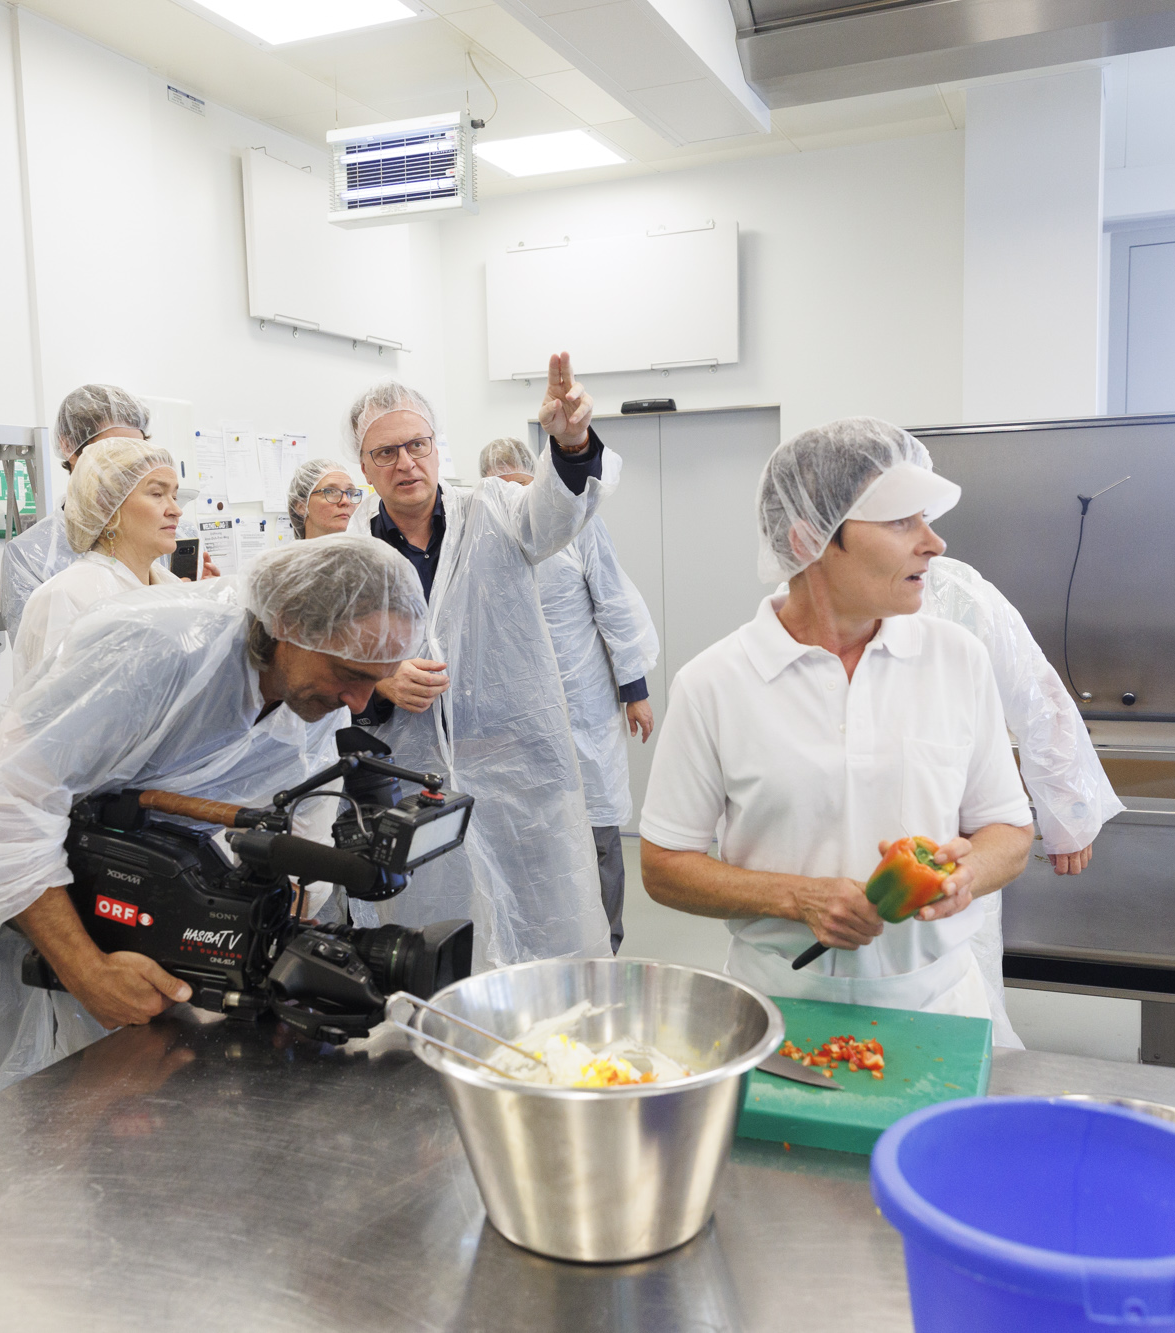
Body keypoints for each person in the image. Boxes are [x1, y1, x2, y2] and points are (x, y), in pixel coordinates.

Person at [0, 537, 426, 1131]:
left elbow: (303, 801)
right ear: (289, 623)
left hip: (130, 906)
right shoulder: (153, 650)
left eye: (374, 680)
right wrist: (88, 972)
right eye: (349, 675)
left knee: (109, 1129)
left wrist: (289, 915)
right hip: (0, 909)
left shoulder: (311, 692)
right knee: (1, 1125)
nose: (356, 703)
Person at [638, 418, 1035, 1021]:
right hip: (780, 1010)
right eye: (902, 520)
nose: (934, 543)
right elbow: (664, 867)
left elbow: (1008, 830)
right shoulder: (714, 683)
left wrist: (963, 875)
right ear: (809, 541)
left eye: (926, 519)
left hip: (939, 1004)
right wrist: (797, 897)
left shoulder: (956, 661)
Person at [346, 353, 618, 965]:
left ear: (437, 447)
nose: (404, 463)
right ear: (364, 466)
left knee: (548, 929)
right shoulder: (352, 553)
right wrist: (379, 678)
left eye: (415, 444)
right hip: (414, 783)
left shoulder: (495, 509)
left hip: (517, 769)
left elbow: (555, 513)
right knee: (435, 942)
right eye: (385, 453)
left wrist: (570, 444)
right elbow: (323, 658)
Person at [921, 553, 1125, 1047]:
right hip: (826, 920)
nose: (924, 538)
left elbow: (1035, 693)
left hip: (960, 861)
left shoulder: (952, 594)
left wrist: (1069, 809)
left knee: (962, 1037)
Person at [479, 436, 658, 953]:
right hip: (513, 712)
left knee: (599, 828)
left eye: (521, 488)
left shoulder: (579, 524)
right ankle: (541, 947)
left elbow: (615, 605)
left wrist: (636, 692)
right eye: (501, 490)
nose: (515, 503)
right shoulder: (480, 532)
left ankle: (608, 945)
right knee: (530, 832)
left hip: (582, 702)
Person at [11, 438, 181, 676]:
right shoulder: (65, 597)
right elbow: (54, 706)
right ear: (107, 508)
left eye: (175, 495)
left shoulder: (171, 586)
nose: (175, 510)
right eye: (157, 493)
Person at [0, 384, 149, 635]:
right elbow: (39, 660)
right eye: (115, 451)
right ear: (69, 447)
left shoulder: (168, 533)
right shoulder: (29, 557)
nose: (130, 464)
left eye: (139, 451)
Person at [286, 459, 364, 539]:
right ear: (302, 506)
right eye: (331, 492)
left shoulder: (368, 550)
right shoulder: (288, 552)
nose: (346, 501)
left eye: (350, 493)